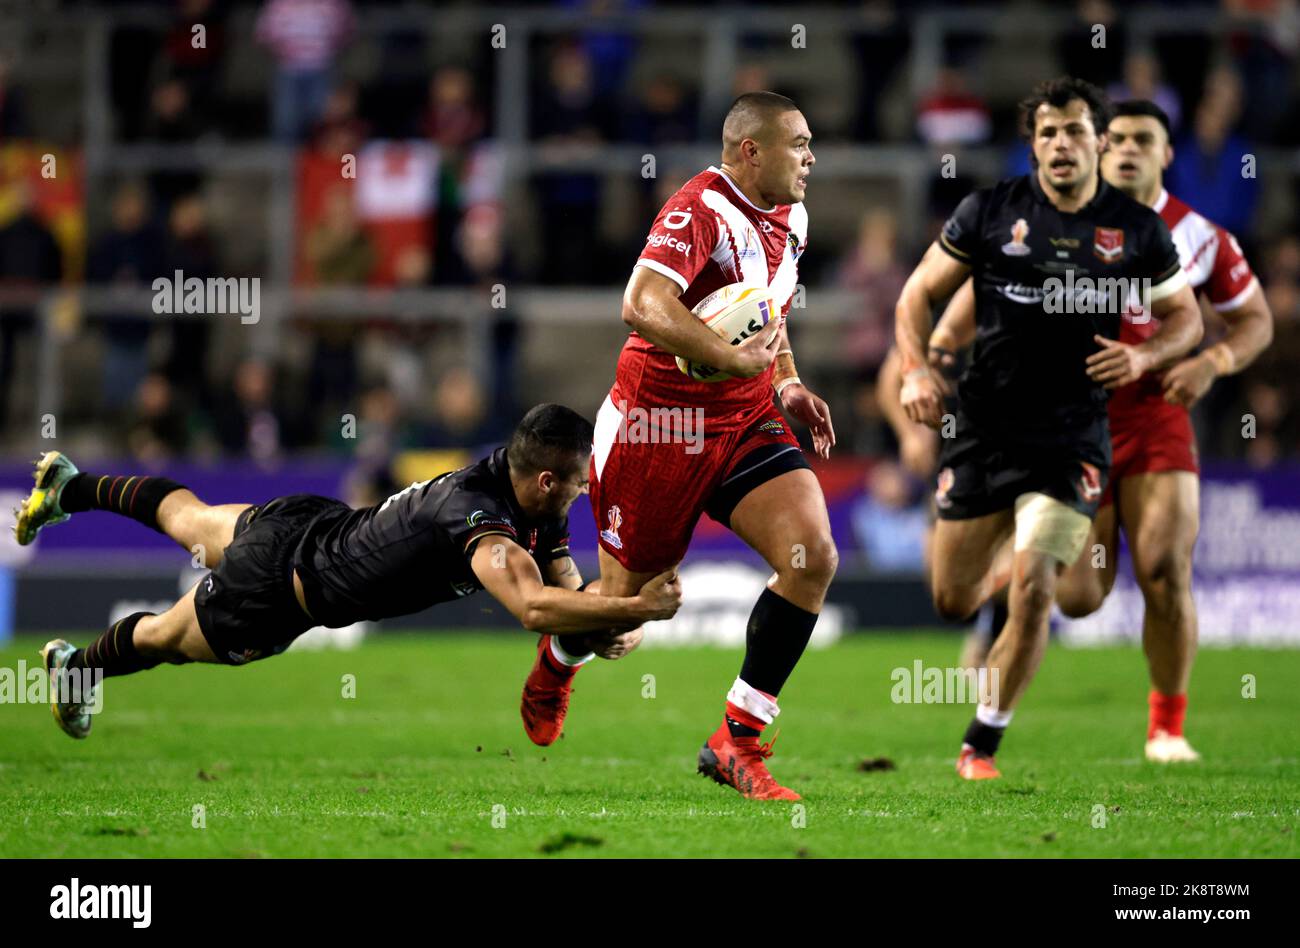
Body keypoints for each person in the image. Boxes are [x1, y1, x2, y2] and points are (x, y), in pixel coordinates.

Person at [929, 100, 1274, 763]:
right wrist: (943, 349)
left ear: (1167, 154)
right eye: (1115, 138)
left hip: (1154, 416)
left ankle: (1167, 726)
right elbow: (991, 289)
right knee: (1083, 597)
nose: (1127, 151)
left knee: (1166, 569)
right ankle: (1011, 577)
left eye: (1144, 140)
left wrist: (1212, 362)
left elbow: (1253, 317)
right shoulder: (1058, 220)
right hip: (1067, 419)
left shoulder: (1199, 236)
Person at [15, 404, 681, 741]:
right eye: (578, 482)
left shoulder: (527, 494)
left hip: (308, 522)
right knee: (165, 639)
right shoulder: (481, 521)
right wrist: (634, 612)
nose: (585, 491)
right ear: (544, 478)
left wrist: (610, 620)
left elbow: (567, 592)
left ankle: (69, 488)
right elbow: (535, 609)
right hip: (282, 589)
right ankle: (78, 668)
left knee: (189, 519)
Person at [528, 91, 836, 801]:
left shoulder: (794, 218)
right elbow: (640, 302)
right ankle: (559, 656)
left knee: (811, 554)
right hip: (659, 426)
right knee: (619, 609)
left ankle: (738, 741)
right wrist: (727, 360)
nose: (812, 157)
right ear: (749, 150)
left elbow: (767, 317)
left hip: (743, 420)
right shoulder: (701, 209)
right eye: (799, 142)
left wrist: (785, 384)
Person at [894, 77, 1202, 780]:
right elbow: (918, 292)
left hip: (1073, 438)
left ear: (1099, 139)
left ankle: (982, 745)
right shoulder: (990, 212)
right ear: (1033, 145)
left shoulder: (1138, 230)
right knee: (951, 599)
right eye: (1047, 134)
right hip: (986, 429)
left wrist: (1146, 352)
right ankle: (995, 574)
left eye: (1074, 132)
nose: (1061, 145)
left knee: (1038, 588)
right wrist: (916, 368)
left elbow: (1185, 315)